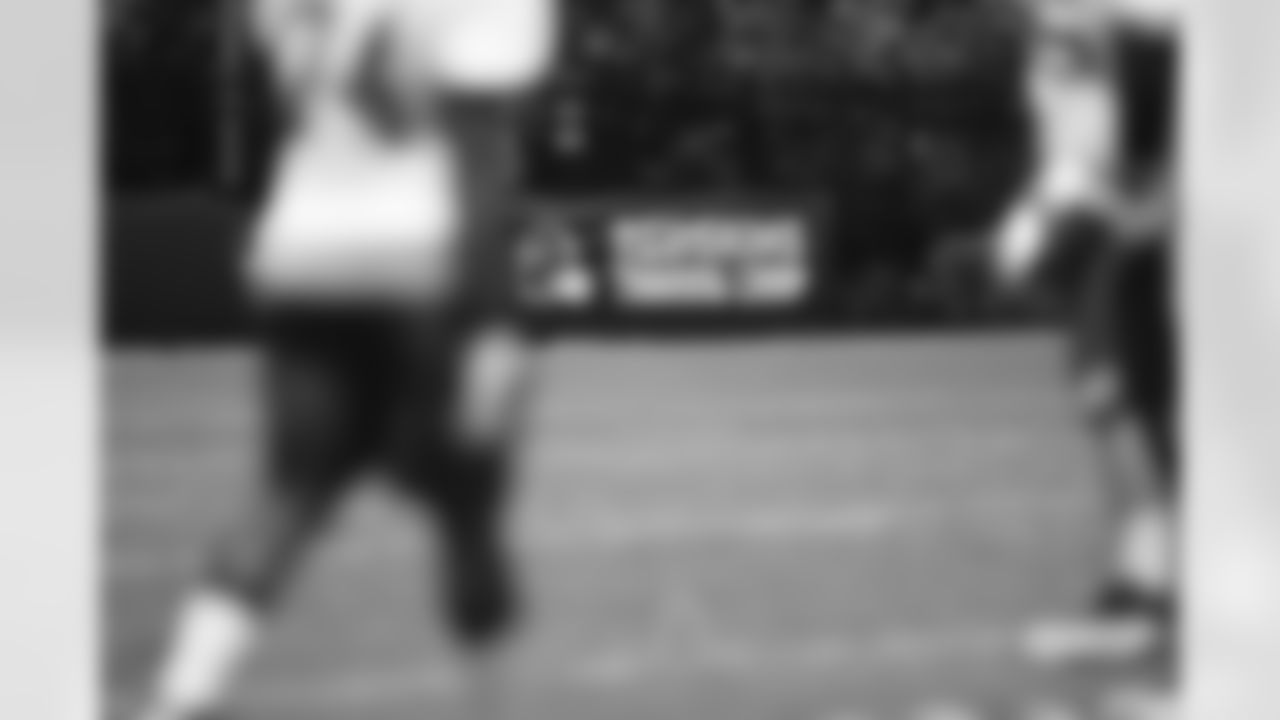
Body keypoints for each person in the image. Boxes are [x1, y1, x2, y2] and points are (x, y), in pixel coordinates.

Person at [132, 0, 558, 718]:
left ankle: (175, 702)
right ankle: (492, 701)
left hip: (304, 253)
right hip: (422, 260)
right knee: (469, 513)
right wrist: (491, 319)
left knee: (286, 497)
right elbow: (477, 146)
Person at [991, 0, 1181, 683]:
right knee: (1114, 419)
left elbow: (1164, 137)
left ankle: (1155, 602)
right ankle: (1139, 588)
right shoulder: (1067, 31)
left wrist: (1125, 210)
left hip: (1123, 236)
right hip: (1101, 231)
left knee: (1131, 421)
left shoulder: (1139, 31)